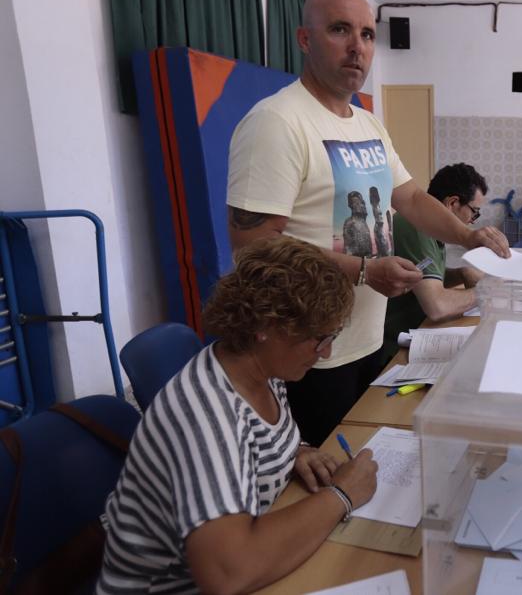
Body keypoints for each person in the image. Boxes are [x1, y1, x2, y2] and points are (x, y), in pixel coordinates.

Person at [226, 0, 509, 447]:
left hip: (365, 334)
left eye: (367, 34)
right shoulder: (277, 123)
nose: (357, 46)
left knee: (363, 456)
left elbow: (413, 198)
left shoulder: (366, 123)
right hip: (306, 348)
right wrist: (361, 270)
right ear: (304, 39)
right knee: (324, 473)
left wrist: (467, 233)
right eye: (339, 30)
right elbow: (252, 244)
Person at [98, 237, 379, 594]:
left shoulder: (263, 370)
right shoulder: (208, 416)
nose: (326, 353)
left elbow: (257, 444)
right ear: (267, 328)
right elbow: (227, 574)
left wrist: (295, 450)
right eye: (319, 338)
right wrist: (342, 494)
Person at [375, 163, 489, 368]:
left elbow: (423, 276)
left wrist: (460, 273)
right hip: (394, 350)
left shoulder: (431, 231)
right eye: (475, 212)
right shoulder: (417, 228)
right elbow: (438, 306)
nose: (473, 221)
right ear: (453, 203)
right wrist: (489, 292)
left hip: (416, 334)